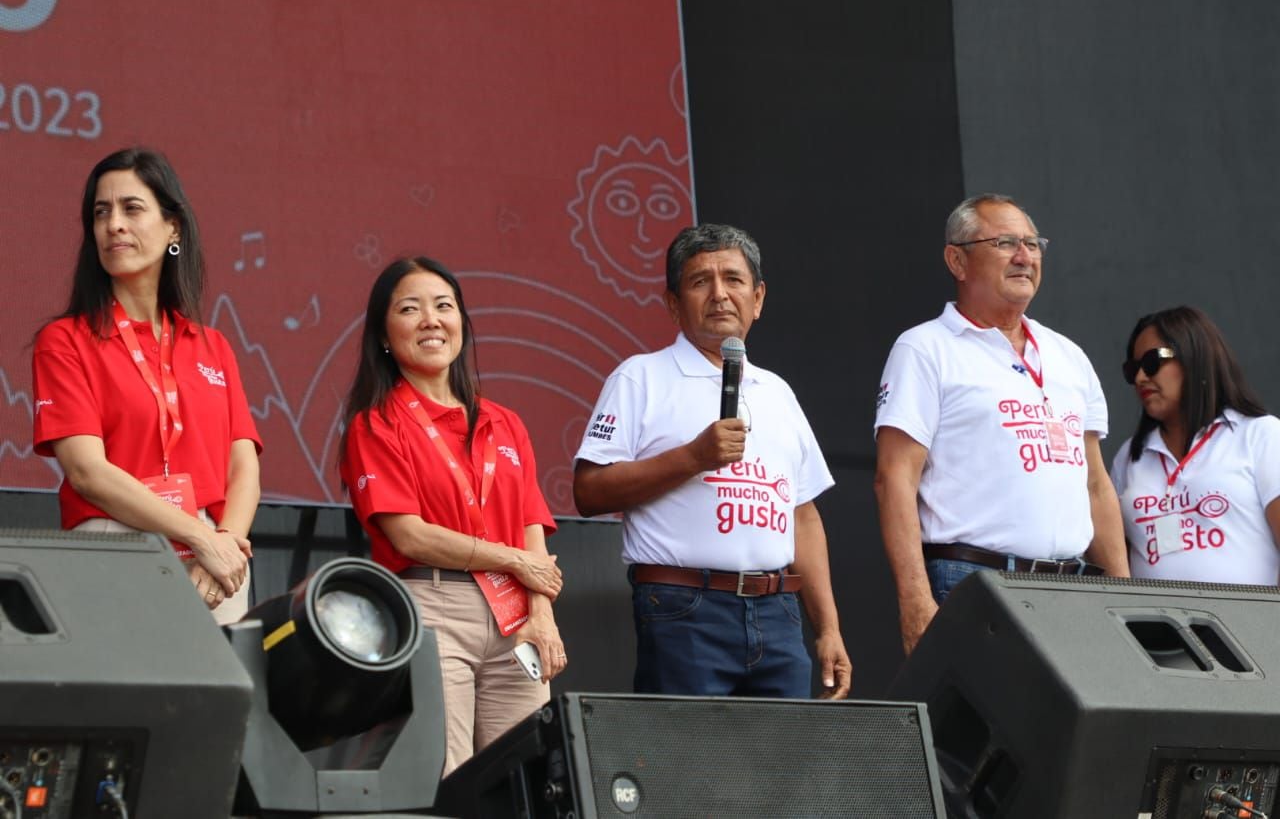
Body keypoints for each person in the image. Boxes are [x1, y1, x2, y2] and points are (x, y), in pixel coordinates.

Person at [573, 223, 851, 700]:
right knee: (695, 769)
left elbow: (802, 516)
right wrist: (691, 458)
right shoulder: (641, 377)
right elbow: (589, 491)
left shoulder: (778, 391)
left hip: (778, 612)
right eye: (701, 281)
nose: (720, 294)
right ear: (673, 303)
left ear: (758, 298)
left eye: (734, 280)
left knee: (782, 770)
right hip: (684, 608)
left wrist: (828, 628)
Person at [873, 193, 1128, 655]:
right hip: (974, 584)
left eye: (1033, 244)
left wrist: (1127, 597)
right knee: (988, 727)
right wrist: (914, 600)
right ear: (957, 260)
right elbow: (894, 479)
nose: (1025, 256)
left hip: (1074, 590)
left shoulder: (1068, 355)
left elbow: (1096, 486)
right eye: (1005, 242)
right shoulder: (925, 349)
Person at [339, 256, 565, 775]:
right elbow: (410, 535)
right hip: (435, 606)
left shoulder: (506, 423)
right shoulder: (376, 424)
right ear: (383, 336)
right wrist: (513, 560)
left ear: (462, 322)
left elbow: (533, 529)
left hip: (516, 614)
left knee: (527, 781)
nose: (431, 320)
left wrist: (543, 616)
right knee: (448, 776)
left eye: (444, 306)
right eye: (410, 309)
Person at [32, 147, 259, 623]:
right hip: (115, 546)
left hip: (214, 564)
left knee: (215, 699)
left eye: (131, 208)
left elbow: (243, 467)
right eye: (101, 212)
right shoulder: (65, 341)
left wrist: (223, 545)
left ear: (173, 227)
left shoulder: (212, 345)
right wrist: (199, 538)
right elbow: (87, 472)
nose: (114, 224)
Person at [1110, 306, 1280, 583]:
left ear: (1195, 357)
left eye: (1153, 362)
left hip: (1249, 624)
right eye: (1133, 369)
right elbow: (1117, 558)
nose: (1141, 377)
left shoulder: (1261, 435)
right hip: (1155, 624)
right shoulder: (1128, 457)